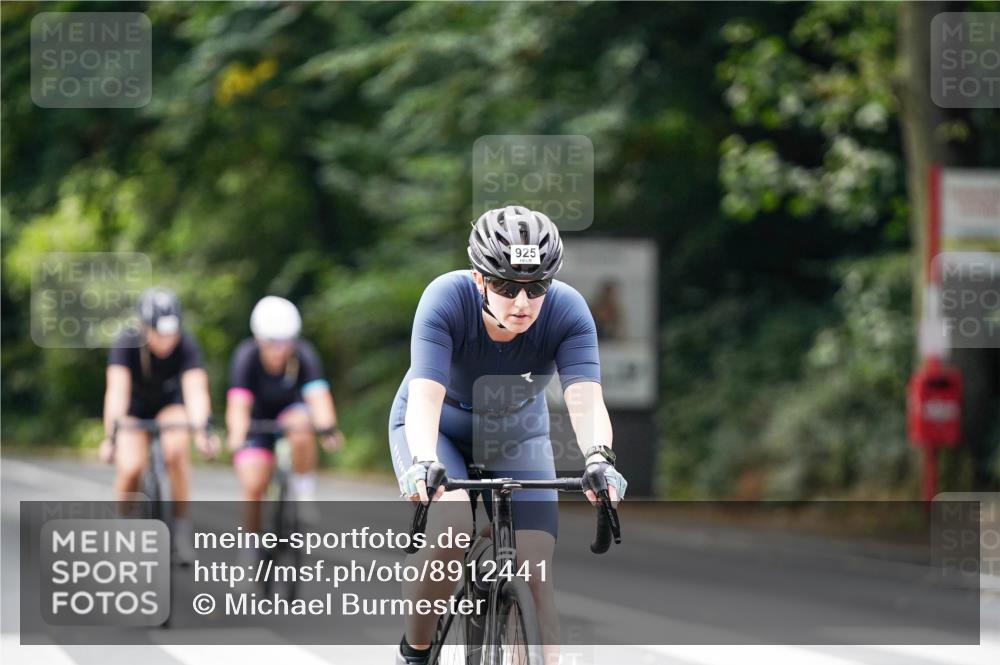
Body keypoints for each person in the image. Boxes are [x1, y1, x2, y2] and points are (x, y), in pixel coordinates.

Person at [388, 206, 628, 665]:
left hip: (517, 433)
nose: (521, 302)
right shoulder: (445, 298)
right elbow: (424, 399)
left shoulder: (568, 310)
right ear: (479, 279)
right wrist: (422, 460)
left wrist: (599, 457)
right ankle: (414, 651)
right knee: (450, 531)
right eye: (505, 286)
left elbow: (585, 399)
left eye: (536, 287)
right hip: (440, 428)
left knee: (535, 570)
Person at [100, 287, 219, 565]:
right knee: (131, 467)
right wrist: (111, 437)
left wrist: (203, 432)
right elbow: (117, 392)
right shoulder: (126, 343)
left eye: (171, 333)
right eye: (158, 333)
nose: (166, 341)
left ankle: (181, 528)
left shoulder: (186, 344)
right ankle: (124, 527)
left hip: (170, 404)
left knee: (176, 452)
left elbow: (196, 391)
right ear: (143, 327)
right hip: (134, 407)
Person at [226, 296, 344, 554]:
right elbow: (238, 404)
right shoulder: (246, 356)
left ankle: (303, 491)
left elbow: (318, 396)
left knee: (301, 425)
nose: (279, 350)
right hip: (256, 422)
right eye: (271, 342)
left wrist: (328, 429)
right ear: (258, 339)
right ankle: (249, 548)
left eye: (285, 342)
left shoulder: (303, 354)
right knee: (253, 484)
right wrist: (236, 436)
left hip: (290, 415)